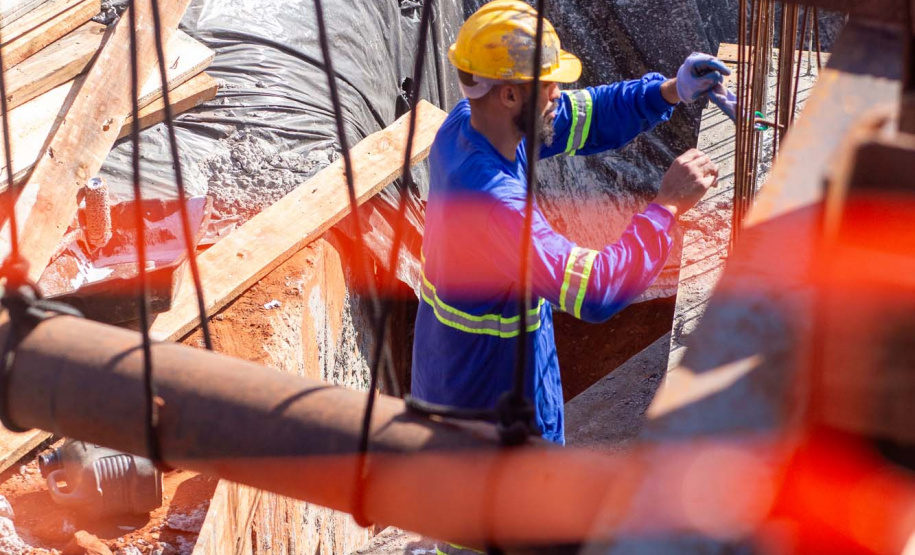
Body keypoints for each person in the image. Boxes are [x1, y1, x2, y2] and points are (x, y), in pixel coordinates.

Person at [411, 0, 725, 445]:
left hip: (472, 380)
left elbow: (588, 113)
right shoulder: (493, 204)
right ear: (510, 94)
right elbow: (595, 290)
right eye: (550, 85)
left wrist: (668, 91)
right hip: (493, 425)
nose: (560, 93)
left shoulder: (473, 125)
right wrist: (667, 208)